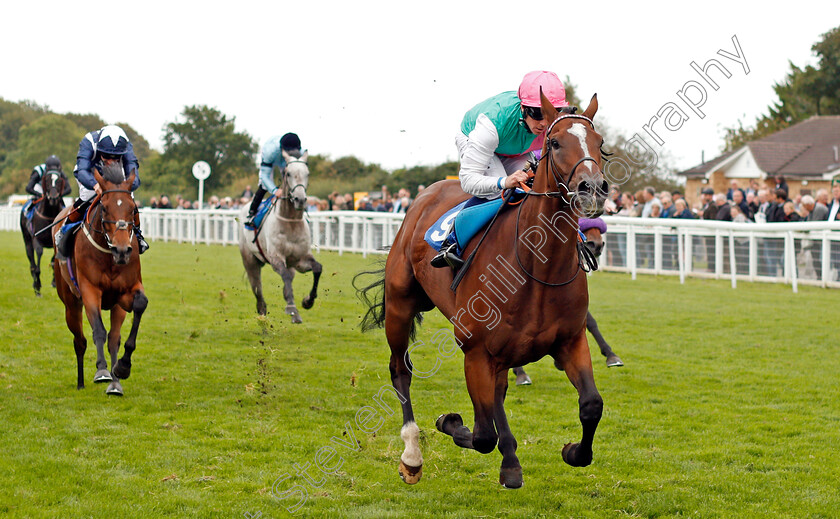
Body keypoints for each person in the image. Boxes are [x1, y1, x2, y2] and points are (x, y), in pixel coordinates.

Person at [432, 70, 570, 269]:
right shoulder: (490, 125)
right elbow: (469, 181)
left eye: (550, 113)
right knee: (500, 192)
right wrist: (503, 182)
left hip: (516, 148)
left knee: (534, 189)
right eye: (536, 113)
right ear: (523, 108)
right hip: (477, 139)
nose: (544, 122)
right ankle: (451, 241)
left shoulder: (555, 124)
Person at [54, 125, 148, 257]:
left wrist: (122, 191)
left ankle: (138, 235)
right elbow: (82, 171)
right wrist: (95, 185)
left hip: (116, 175)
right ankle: (65, 230)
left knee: (128, 200)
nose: (110, 161)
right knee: (87, 196)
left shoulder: (126, 146)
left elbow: (135, 178)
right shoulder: (89, 141)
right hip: (90, 173)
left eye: (116, 157)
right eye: (106, 156)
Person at [244, 132, 302, 227]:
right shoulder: (270, 151)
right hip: (271, 158)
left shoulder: (301, 151)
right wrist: (275, 190)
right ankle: (251, 213)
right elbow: (265, 176)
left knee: (292, 182)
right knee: (264, 186)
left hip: (284, 159)